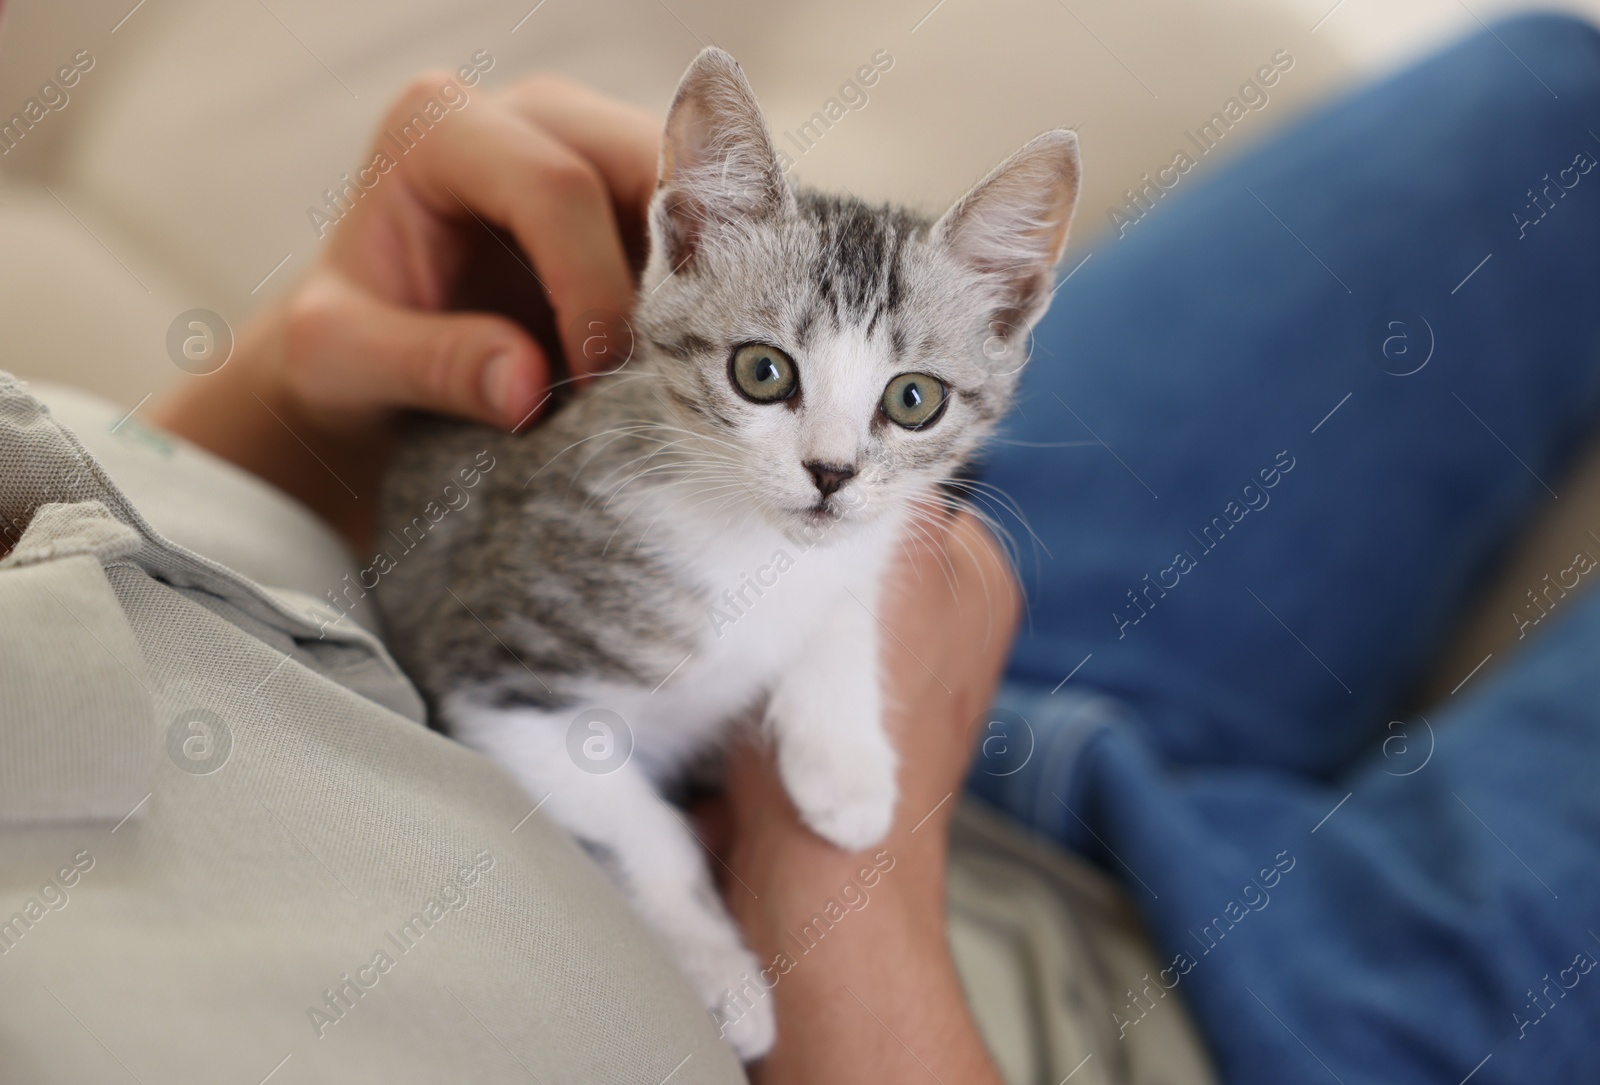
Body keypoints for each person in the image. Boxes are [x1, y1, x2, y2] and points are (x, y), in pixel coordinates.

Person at [11, 10, 1597, 1083]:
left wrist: (283, 401)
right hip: (1114, 1000)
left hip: (885, 591)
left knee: (1553, 86)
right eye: (777, 372)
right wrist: (852, 894)